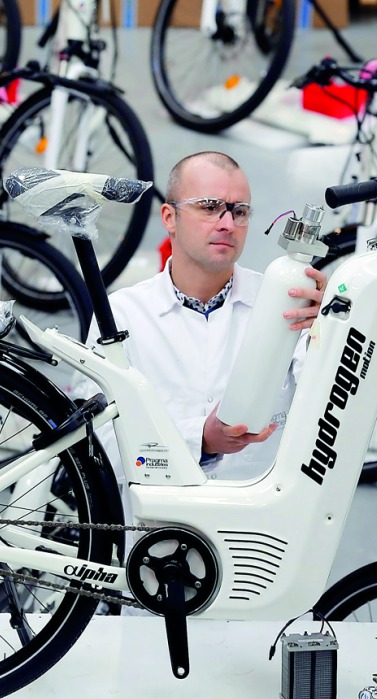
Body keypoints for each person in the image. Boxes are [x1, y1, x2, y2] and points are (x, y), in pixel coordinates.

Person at [82, 151, 327, 484]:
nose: (227, 224)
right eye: (210, 207)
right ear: (169, 217)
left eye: (240, 211)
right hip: (156, 512)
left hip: (260, 512)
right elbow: (95, 447)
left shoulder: (290, 303)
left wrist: (332, 328)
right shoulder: (122, 315)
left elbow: (329, 405)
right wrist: (201, 440)